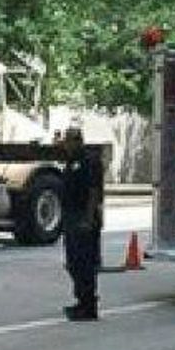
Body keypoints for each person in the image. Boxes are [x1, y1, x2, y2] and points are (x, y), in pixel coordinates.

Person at [61, 127, 103, 321]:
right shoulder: (71, 162)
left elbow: (94, 192)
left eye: (70, 140)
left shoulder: (90, 162)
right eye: (66, 140)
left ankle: (89, 306)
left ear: (79, 141)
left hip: (84, 219)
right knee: (73, 263)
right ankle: (81, 301)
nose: (67, 144)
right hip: (72, 217)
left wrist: (88, 218)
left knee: (85, 263)